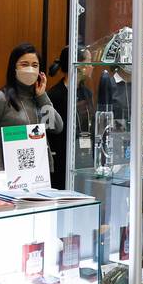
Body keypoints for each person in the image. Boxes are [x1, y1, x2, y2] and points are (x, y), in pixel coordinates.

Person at [0, 43, 64, 190]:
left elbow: (56, 127)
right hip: (5, 180)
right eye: (24, 64)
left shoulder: (38, 100)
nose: (30, 69)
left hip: (37, 178)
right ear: (13, 67)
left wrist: (42, 97)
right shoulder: (0, 99)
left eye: (35, 65)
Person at [46, 46, 92, 189]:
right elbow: (47, 132)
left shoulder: (87, 93)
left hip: (83, 159)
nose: (92, 66)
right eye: (89, 62)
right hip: (61, 162)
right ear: (79, 65)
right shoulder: (53, 95)